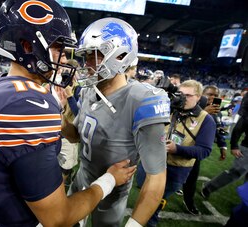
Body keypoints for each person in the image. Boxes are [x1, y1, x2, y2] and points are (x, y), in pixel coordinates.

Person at [0, 1, 135, 226]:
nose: (64, 59)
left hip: (1, 208)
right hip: (24, 219)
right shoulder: (26, 106)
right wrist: (109, 180)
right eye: (59, 48)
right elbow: (58, 218)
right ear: (27, 45)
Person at [62, 17, 170, 227]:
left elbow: (156, 177)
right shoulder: (87, 91)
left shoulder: (141, 100)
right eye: (85, 57)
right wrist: (59, 122)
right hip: (82, 180)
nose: (87, 65)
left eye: (93, 56)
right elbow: (76, 137)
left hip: (112, 192)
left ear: (120, 55)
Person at [137, 80, 216, 226]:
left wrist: (176, 149)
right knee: (142, 197)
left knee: (152, 207)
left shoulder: (206, 120)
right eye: (180, 94)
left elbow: (204, 151)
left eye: (188, 95)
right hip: (150, 162)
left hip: (175, 169)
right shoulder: (168, 108)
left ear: (198, 97)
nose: (182, 98)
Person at [181, 85, 227, 214]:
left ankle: (188, 201)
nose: (213, 97)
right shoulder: (192, 106)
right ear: (201, 95)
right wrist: (204, 112)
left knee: (192, 176)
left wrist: (223, 145)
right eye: (210, 94)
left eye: (215, 95)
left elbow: (219, 128)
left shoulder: (216, 112)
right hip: (182, 145)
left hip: (197, 150)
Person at [201, 92, 248, 200]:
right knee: (237, 171)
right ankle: (209, 187)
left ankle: (245, 201)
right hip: (247, 147)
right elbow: (240, 126)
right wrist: (234, 145)